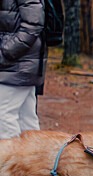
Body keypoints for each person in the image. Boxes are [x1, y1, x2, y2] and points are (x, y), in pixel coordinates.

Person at [0, 0, 46, 139]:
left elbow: (33, 25)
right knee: (26, 119)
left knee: (3, 114)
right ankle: (36, 158)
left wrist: (6, 52)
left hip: (19, 63)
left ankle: (12, 159)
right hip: (19, 64)